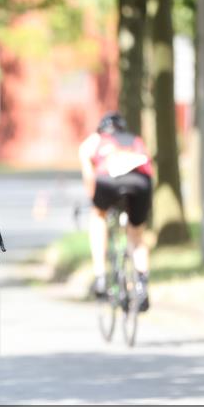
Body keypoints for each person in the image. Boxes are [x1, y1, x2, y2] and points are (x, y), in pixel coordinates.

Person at [78, 112, 153, 311]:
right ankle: (142, 287)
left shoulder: (94, 141)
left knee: (98, 217)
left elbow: (89, 178)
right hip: (140, 182)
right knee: (137, 236)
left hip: (108, 179)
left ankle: (100, 276)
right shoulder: (135, 140)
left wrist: (95, 201)